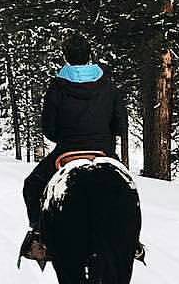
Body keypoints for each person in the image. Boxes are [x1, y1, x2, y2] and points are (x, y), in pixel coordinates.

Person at [19, 32, 128, 263]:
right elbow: (120, 125)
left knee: (32, 185)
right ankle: (131, 240)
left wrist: (66, 135)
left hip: (68, 151)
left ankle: (39, 235)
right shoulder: (108, 84)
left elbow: (48, 129)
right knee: (126, 190)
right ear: (90, 56)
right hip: (103, 151)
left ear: (66, 57)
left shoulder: (57, 87)